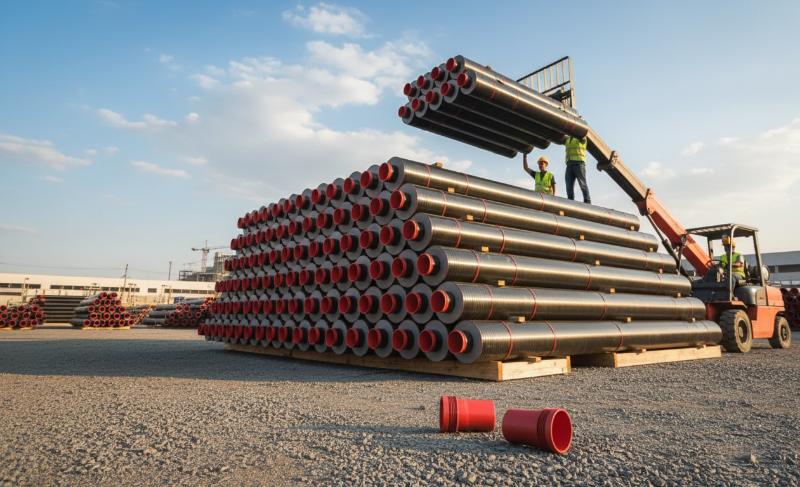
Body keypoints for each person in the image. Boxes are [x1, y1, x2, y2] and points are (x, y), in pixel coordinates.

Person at [564, 135, 591, 203]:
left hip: (579, 163)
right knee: (568, 186)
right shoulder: (568, 139)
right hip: (569, 164)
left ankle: (587, 201)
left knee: (582, 184)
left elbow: (583, 138)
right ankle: (570, 201)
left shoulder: (581, 137)